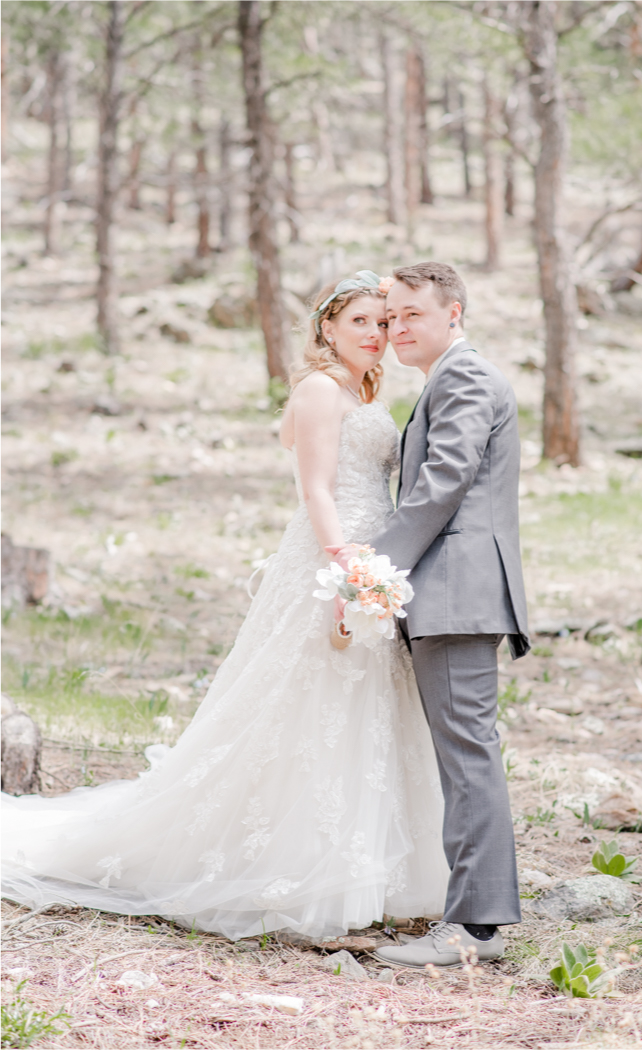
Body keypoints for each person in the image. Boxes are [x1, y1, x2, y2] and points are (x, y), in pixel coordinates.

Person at [0, 271, 449, 940]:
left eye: (382, 324)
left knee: (366, 704)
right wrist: (348, 567)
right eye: (359, 322)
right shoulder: (320, 390)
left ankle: (370, 867)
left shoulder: (362, 388)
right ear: (326, 326)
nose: (375, 335)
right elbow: (318, 491)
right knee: (309, 699)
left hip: (372, 553)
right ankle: (298, 867)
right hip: (336, 558)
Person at [326, 263, 532, 971]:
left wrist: (371, 572)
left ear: (456, 314)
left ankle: (474, 929)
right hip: (447, 592)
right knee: (465, 753)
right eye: (391, 317)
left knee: (469, 756)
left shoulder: (466, 378)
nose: (398, 328)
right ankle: (472, 916)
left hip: (457, 592)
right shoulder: (446, 379)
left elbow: (444, 483)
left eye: (413, 314)